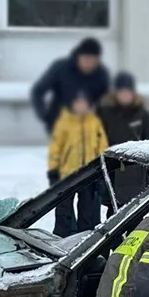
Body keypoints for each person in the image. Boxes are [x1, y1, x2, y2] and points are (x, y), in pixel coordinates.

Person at [97, 71, 149, 207]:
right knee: (114, 216)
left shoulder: (141, 114)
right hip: (112, 175)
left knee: (135, 216)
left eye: (127, 92)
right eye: (121, 92)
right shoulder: (106, 114)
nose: (124, 96)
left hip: (137, 178)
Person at [47, 93, 109, 237]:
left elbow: (102, 148)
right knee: (63, 210)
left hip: (88, 173)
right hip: (66, 172)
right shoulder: (64, 122)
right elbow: (55, 148)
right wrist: (53, 171)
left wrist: (100, 173)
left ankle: (84, 239)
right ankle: (62, 238)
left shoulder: (94, 123)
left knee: (87, 210)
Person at [30, 37, 110, 134]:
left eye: (93, 61)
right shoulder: (61, 68)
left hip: (89, 128)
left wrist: (91, 109)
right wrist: (45, 115)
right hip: (60, 126)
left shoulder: (101, 74)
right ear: (78, 57)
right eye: (86, 60)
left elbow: (105, 101)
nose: (88, 65)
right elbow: (38, 91)